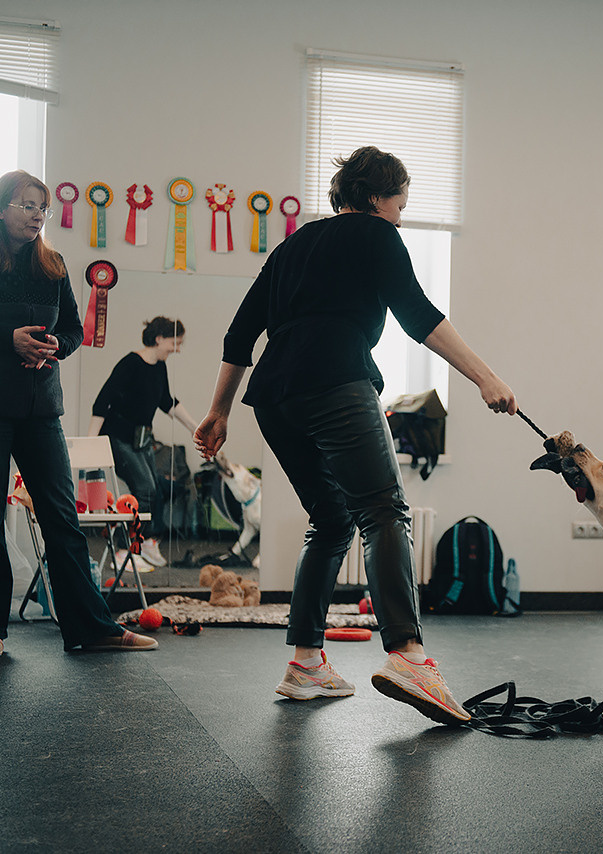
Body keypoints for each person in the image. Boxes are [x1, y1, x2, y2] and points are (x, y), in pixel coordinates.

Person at [194, 146, 517, 725]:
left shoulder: (292, 245)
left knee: (333, 518)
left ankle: (305, 663)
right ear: (374, 198)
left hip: (274, 400)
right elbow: (417, 314)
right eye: (400, 205)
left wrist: (219, 412)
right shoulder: (376, 234)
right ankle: (408, 655)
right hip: (336, 382)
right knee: (384, 510)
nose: (401, 218)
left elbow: (240, 334)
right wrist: (485, 377)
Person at [0, 170, 156, 655]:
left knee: (61, 517)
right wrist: (6, 340)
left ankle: (92, 628)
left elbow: (73, 330)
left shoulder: (52, 265)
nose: (37, 216)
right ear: (0, 209)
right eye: (27, 205)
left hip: (41, 409)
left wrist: (55, 347)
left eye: (42, 208)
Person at [89, 316, 201, 567]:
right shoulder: (130, 364)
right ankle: (123, 550)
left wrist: (195, 427)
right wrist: (91, 445)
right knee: (145, 490)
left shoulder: (159, 367)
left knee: (156, 490)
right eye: (175, 343)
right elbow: (102, 402)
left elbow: (166, 401)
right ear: (159, 339)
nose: (177, 349)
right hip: (118, 438)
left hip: (141, 439)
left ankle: (147, 542)